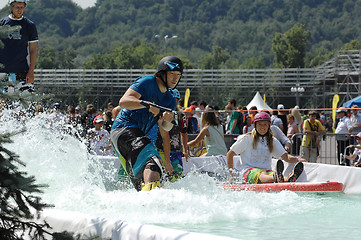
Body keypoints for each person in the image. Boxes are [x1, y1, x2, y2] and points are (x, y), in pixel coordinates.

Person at [110, 56, 183, 191]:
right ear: (162, 73)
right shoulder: (147, 82)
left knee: (140, 184)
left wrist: (168, 120)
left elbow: (165, 129)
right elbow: (123, 101)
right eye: (172, 73)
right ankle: (152, 202)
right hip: (123, 129)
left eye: (178, 75)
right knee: (153, 161)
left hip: (134, 137)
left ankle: (143, 207)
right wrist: (146, 104)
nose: (175, 78)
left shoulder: (171, 100)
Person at [226, 112, 303, 184]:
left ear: (269, 126)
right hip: (248, 171)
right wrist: (232, 174)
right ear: (255, 125)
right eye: (260, 124)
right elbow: (230, 154)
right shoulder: (246, 139)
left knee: (270, 173)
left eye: (265, 124)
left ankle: (288, 178)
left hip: (267, 171)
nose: (262, 127)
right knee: (261, 173)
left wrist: (297, 159)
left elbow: (285, 157)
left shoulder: (272, 140)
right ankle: (279, 178)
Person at [0, 0, 38, 95]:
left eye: (22, 7)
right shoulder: (2, 23)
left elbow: (33, 50)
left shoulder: (29, 25)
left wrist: (31, 72)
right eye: (17, 7)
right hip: (3, 72)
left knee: (25, 106)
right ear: (11, 7)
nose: (19, 10)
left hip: (22, 71)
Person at [155, 89, 188, 177]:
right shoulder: (159, 113)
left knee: (177, 178)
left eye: (174, 100)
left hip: (175, 151)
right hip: (160, 149)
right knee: (160, 177)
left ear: (177, 101)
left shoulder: (181, 115)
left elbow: (184, 133)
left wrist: (185, 149)